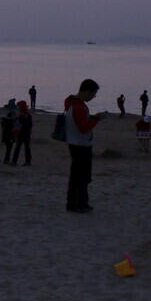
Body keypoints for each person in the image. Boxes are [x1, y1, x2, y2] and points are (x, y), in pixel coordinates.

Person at [64, 79, 104, 213]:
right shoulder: (78, 107)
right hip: (80, 145)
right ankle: (77, 204)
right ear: (87, 91)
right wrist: (96, 119)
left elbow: (79, 122)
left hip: (75, 143)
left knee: (79, 176)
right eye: (93, 94)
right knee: (81, 177)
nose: (94, 97)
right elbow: (83, 128)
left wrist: (92, 117)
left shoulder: (71, 102)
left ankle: (80, 203)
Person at [9, 101, 33, 166]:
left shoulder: (27, 115)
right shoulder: (20, 114)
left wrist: (21, 125)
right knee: (19, 147)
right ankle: (15, 161)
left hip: (24, 133)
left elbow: (29, 125)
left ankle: (26, 161)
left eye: (19, 106)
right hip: (21, 133)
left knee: (24, 147)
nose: (18, 107)